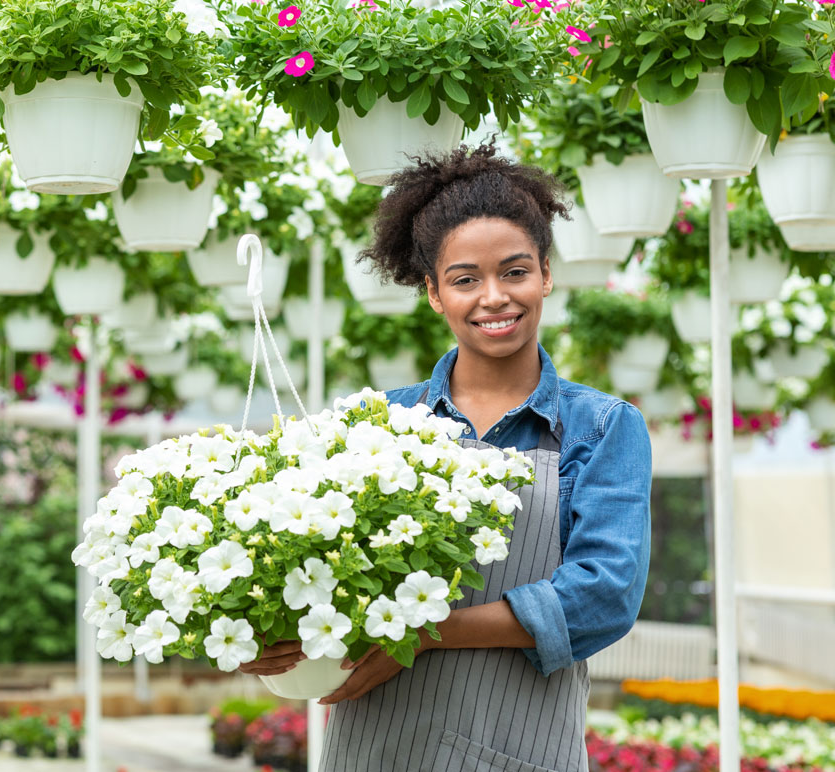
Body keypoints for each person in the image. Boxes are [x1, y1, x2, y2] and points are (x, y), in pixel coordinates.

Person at [237, 138, 652, 772]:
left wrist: (422, 634)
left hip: (523, 748)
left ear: (546, 272)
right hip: (375, 746)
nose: (494, 297)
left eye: (514, 271)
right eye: (465, 279)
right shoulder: (376, 424)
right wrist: (256, 634)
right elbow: (303, 572)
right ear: (434, 292)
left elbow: (603, 595)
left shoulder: (601, 428)